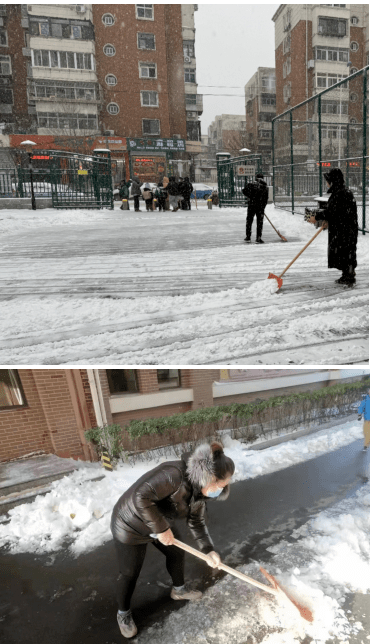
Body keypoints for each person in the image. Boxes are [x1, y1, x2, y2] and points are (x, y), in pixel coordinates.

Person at [111, 442, 235, 639]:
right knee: (130, 572)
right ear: (208, 478)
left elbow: (197, 522)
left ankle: (178, 590)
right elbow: (140, 496)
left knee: (177, 552)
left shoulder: (199, 492)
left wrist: (208, 550)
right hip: (130, 523)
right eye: (219, 485)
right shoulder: (174, 475)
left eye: (224, 486)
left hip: (160, 520)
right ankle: (123, 613)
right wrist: (160, 528)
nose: (220, 490)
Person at [308, 168, 358, 286]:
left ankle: (349, 276)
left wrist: (316, 217)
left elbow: (331, 212)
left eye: (328, 180)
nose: (326, 183)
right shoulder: (343, 192)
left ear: (333, 181)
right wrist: (327, 218)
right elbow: (335, 212)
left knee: (344, 251)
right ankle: (347, 274)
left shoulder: (340, 194)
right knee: (346, 251)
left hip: (344, 230)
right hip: (346, 228)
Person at [242, 173, 269, 244]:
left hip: (252, 205)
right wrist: (263, 206)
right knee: (259, 223)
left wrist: (250, 196)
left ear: (256, 178)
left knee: (249, 221)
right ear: (263, 178)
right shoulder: (265, 187)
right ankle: (258, 238)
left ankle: (248, 237)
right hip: (260, 207)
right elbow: (266, 199)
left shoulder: (251, 185)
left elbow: (244, 191)